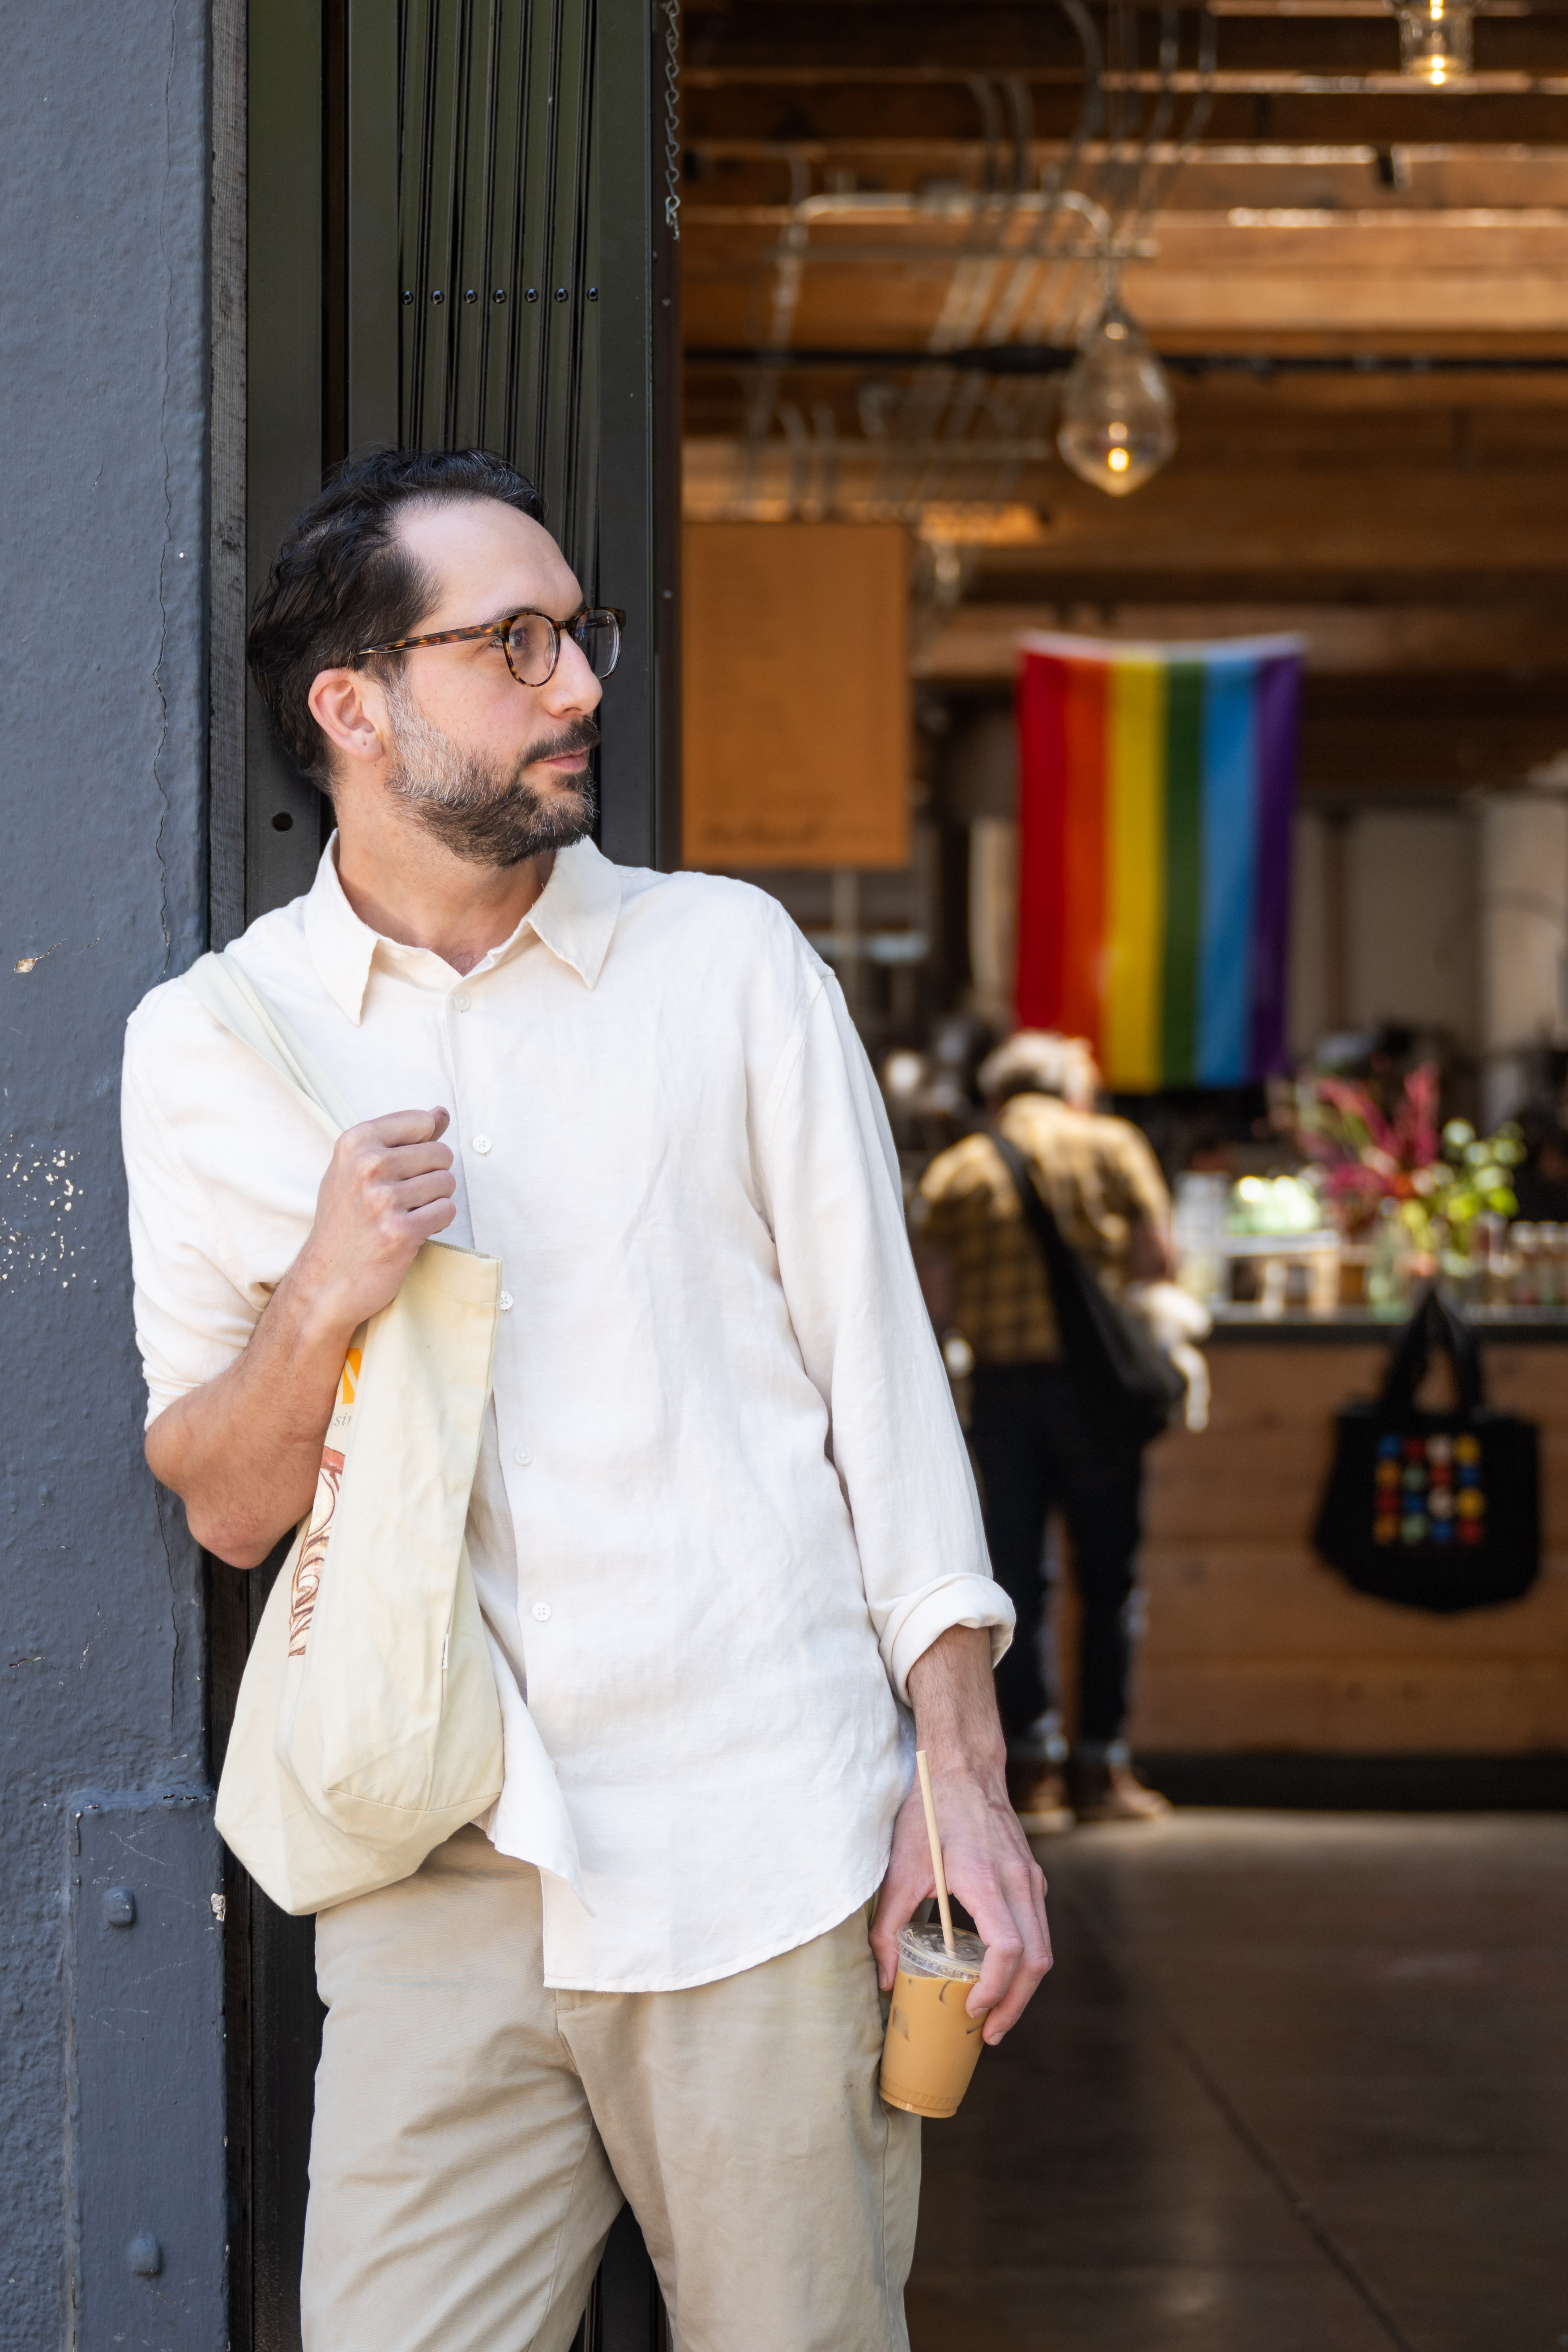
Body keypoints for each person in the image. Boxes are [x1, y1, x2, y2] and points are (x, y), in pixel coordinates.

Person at [121, 448, 1050, 2352]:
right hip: (441, 1869)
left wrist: (960, 1787)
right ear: (353, 706)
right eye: (517, 643)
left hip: (766, 1848)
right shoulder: (216, 1043)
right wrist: (321, 1297)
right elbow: (221, 1500)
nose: (581, 687)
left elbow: (888, 1389)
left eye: (581, 635)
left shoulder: (726, 967)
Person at [914, 1031, 1174, 1829]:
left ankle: (1032, 1768)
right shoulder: (1112, 1145)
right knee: (1110, 1579)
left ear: (996, 1098)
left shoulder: (960, 1168)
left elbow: (930, 1299)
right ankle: (1105, 1766)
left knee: (1014, 1584)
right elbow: (1157, 1261)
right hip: (1097, 1395)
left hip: (1002, 1396)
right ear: (1071, 1089)